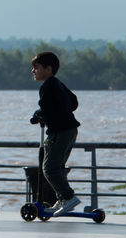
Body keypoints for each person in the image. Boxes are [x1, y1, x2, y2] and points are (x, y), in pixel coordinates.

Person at [30, 51, 81, 217]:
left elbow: (47, 109)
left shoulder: (47, 87)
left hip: (59, 131)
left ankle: (68, 197)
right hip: (70, 130)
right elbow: (73, 102)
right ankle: (61, 199)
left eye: (36, 68)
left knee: (49, 168)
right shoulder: (58, 83)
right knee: (58, 167)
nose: (33, 71)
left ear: (48, 68)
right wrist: (56, 111)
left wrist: (38, 115)